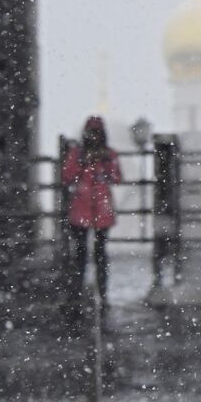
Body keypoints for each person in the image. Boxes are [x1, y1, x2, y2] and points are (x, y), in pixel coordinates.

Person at [62, 115, 122, 310]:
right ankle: (79, 293)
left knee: (99, 255)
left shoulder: (108, 155)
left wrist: (104, 165)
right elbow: (67, 175)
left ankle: (100, 294)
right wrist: (83, 164)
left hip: (98, 211)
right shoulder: (78, 154)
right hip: (83, 210)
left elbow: (116, 177)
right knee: (81, 256)